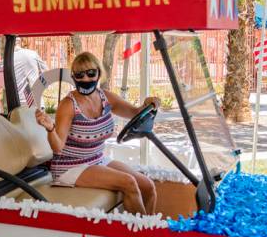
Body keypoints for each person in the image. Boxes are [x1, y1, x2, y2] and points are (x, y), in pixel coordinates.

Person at [34, 51, 159, 215]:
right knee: (128, 183)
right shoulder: (68, 105)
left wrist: (148, 103)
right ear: (73, 77)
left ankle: (149, 230)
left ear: (99, 73)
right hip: (71, 167)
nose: (85, 79)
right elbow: (58, 147)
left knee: (147, 186)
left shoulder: (105, 97)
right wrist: (50, 128)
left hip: (97, 159)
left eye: (91, 73)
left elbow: (135, 112)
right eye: (80, 75)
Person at [13, 38, 47, 106]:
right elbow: (46, 71)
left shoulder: (5, 60)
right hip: (36, 99)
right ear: (21, 43)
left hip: (16, 102)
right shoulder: (32, 54)